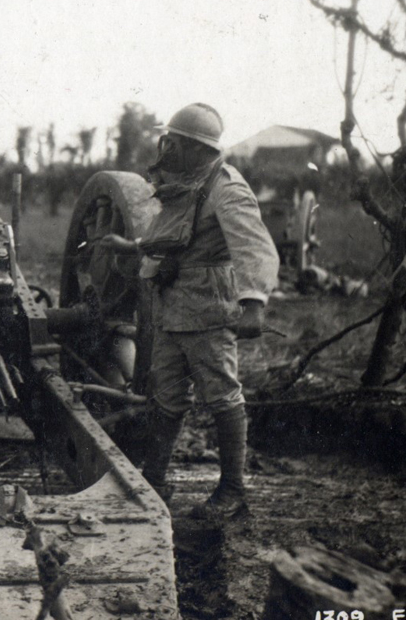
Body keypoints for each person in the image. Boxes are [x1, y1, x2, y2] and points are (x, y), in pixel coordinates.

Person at [99, 103, 279, 519]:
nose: (166, 150)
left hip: (209, 312)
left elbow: (254, 248)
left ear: (198, 148)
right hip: (170, 308)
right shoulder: (184, 181)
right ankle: (155, 481)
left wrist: (253, 303)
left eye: (175, 143)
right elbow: (173, 233)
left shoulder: (227, 189)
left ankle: (232, 491)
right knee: (167, 397)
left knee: (222, 397)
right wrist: (135, 247)